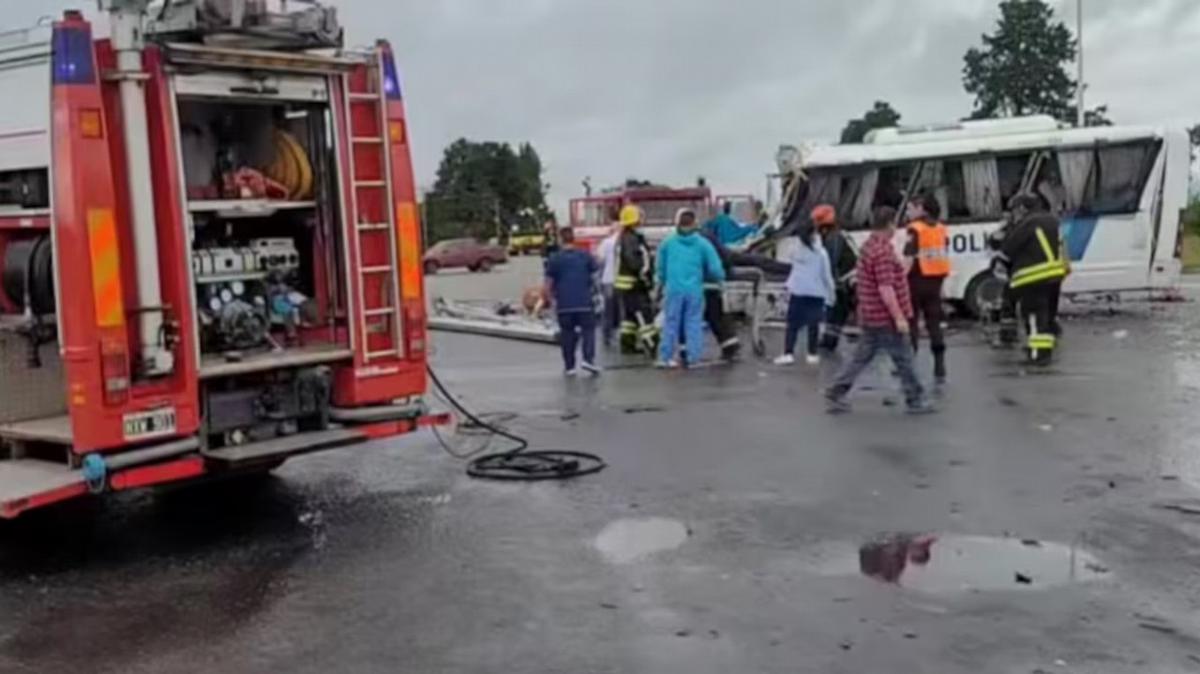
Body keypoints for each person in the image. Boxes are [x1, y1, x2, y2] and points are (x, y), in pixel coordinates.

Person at [825, 207, 935, 415]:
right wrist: (899, 317)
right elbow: (886, 287)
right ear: (890, 224)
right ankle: (915, 398)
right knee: (904, 359)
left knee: (861, 357)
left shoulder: (870, 246)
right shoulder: (883, 252)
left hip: (870, 314)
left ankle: (837, 390)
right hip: (884, 317)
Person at [997, 194, 1068, 366]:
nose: (1013, 214)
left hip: (1033, 276)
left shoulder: (1027, 223)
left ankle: (1038, 355)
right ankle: (1044, 351)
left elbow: (1008, 249)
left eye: (1013, 210)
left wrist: (1002, 235)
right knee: (1046, 316)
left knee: (1034, 316)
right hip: (1054, 276)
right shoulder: (1052, 220)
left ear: (1021, 208)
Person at [656, 208, 725, 368]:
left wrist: (660, 282)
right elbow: (715, 267)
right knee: (693, 323)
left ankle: (665, 357)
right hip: (694, 290)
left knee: (671, 323)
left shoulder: (668, 243)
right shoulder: (702, 243)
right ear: (694, 223)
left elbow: (660, 267)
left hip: (673, 289)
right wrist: (720, 279)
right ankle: (693, 358)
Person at [903, 192, 951, 384]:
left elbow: (908, 257)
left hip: (916, 279)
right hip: (935, 281)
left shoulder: (914, 229)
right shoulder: (940, 228)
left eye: (910, 208)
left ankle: (908, 364)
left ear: (921, 208)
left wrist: (898, 278)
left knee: (912, 322)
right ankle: (940, 365)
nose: (908, 212)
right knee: (934, 324)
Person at [774, 221, 835, 366]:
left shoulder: (795, 251)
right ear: (814, 233)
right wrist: (831, 294)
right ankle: (812, 354)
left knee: (792, 324)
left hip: (798, 291)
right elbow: (826, 276)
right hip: (816, 293)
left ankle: (788, 353)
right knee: (813, 324)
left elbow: (794, 269)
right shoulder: (821, 253)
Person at [544, 227, 600, 376]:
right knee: (588, 330)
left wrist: (550, 301)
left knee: (567, 333)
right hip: (584, 302)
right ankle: (588, 359)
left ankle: (570, 366)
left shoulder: (554, 258)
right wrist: (596, 295)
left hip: (564, 304)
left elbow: (548, 283)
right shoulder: (585, 256)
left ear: (561, 240)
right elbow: (595, 278)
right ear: (573, 239)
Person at [813, 205, 858, 352]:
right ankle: (830, 340)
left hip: (845, 280)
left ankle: (830, 340)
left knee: (837, 310)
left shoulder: (833, 237)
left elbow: (831, 261)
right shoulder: (837, 234)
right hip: (847, 278)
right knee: (838, 311)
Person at [614, 205, 657, 355]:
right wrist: (644, 277)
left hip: (627, 285)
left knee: (630, 318)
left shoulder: (625, 237)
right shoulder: (631, 239)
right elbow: (635, 261)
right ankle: (652, 344)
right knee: (643, 315)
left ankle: (628, 344)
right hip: (634, 285)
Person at [699, 222, 742, 360]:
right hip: (712, 281)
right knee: (715, 313)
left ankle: (730, 344)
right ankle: (730, 343)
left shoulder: (699, 240)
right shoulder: (706, 237)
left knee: (712, 313)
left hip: (706, 281)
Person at [594, 222, 622, 347]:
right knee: (622, 308)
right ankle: (621, 333)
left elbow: (599, 260)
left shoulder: (606, 243)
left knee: (608, 309)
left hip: (608, 279)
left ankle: (607, 336)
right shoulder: (625, 241)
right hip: (623, 280)